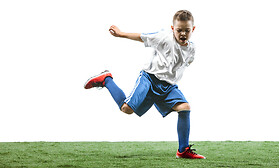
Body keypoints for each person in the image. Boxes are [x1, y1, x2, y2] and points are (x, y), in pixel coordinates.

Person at [84, 10, 205, 159]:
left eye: (187, 30)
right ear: (173, 29)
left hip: (167, 87)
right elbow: (143, 37)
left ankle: (183, 150)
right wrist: (121, 34)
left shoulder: (191, 50)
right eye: (179, 30)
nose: (183, 34)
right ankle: (106, 80)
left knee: (185, 107)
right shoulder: (164, 38)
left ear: (192, 29)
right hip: (149, 79)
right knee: (126, 109)